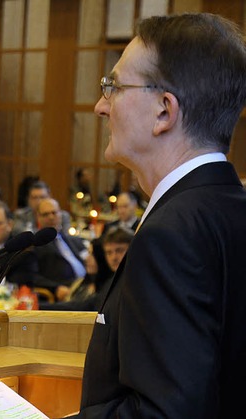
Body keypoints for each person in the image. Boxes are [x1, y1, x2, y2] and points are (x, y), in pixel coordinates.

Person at [71, 13, 246, 418]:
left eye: (113, 87)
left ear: (164, 112)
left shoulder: (170, 234)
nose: (100, 106)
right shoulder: (226, 210)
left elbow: (165, 412)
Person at [30, 198, 87, 301]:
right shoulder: (35, 244)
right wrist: (55, 288)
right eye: (46, 214)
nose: (51, 217)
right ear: (38, 217)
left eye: (54, 213)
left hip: (85, 285)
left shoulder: (72, 239)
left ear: (60, 214)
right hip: (66, 292)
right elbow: (32, 277)